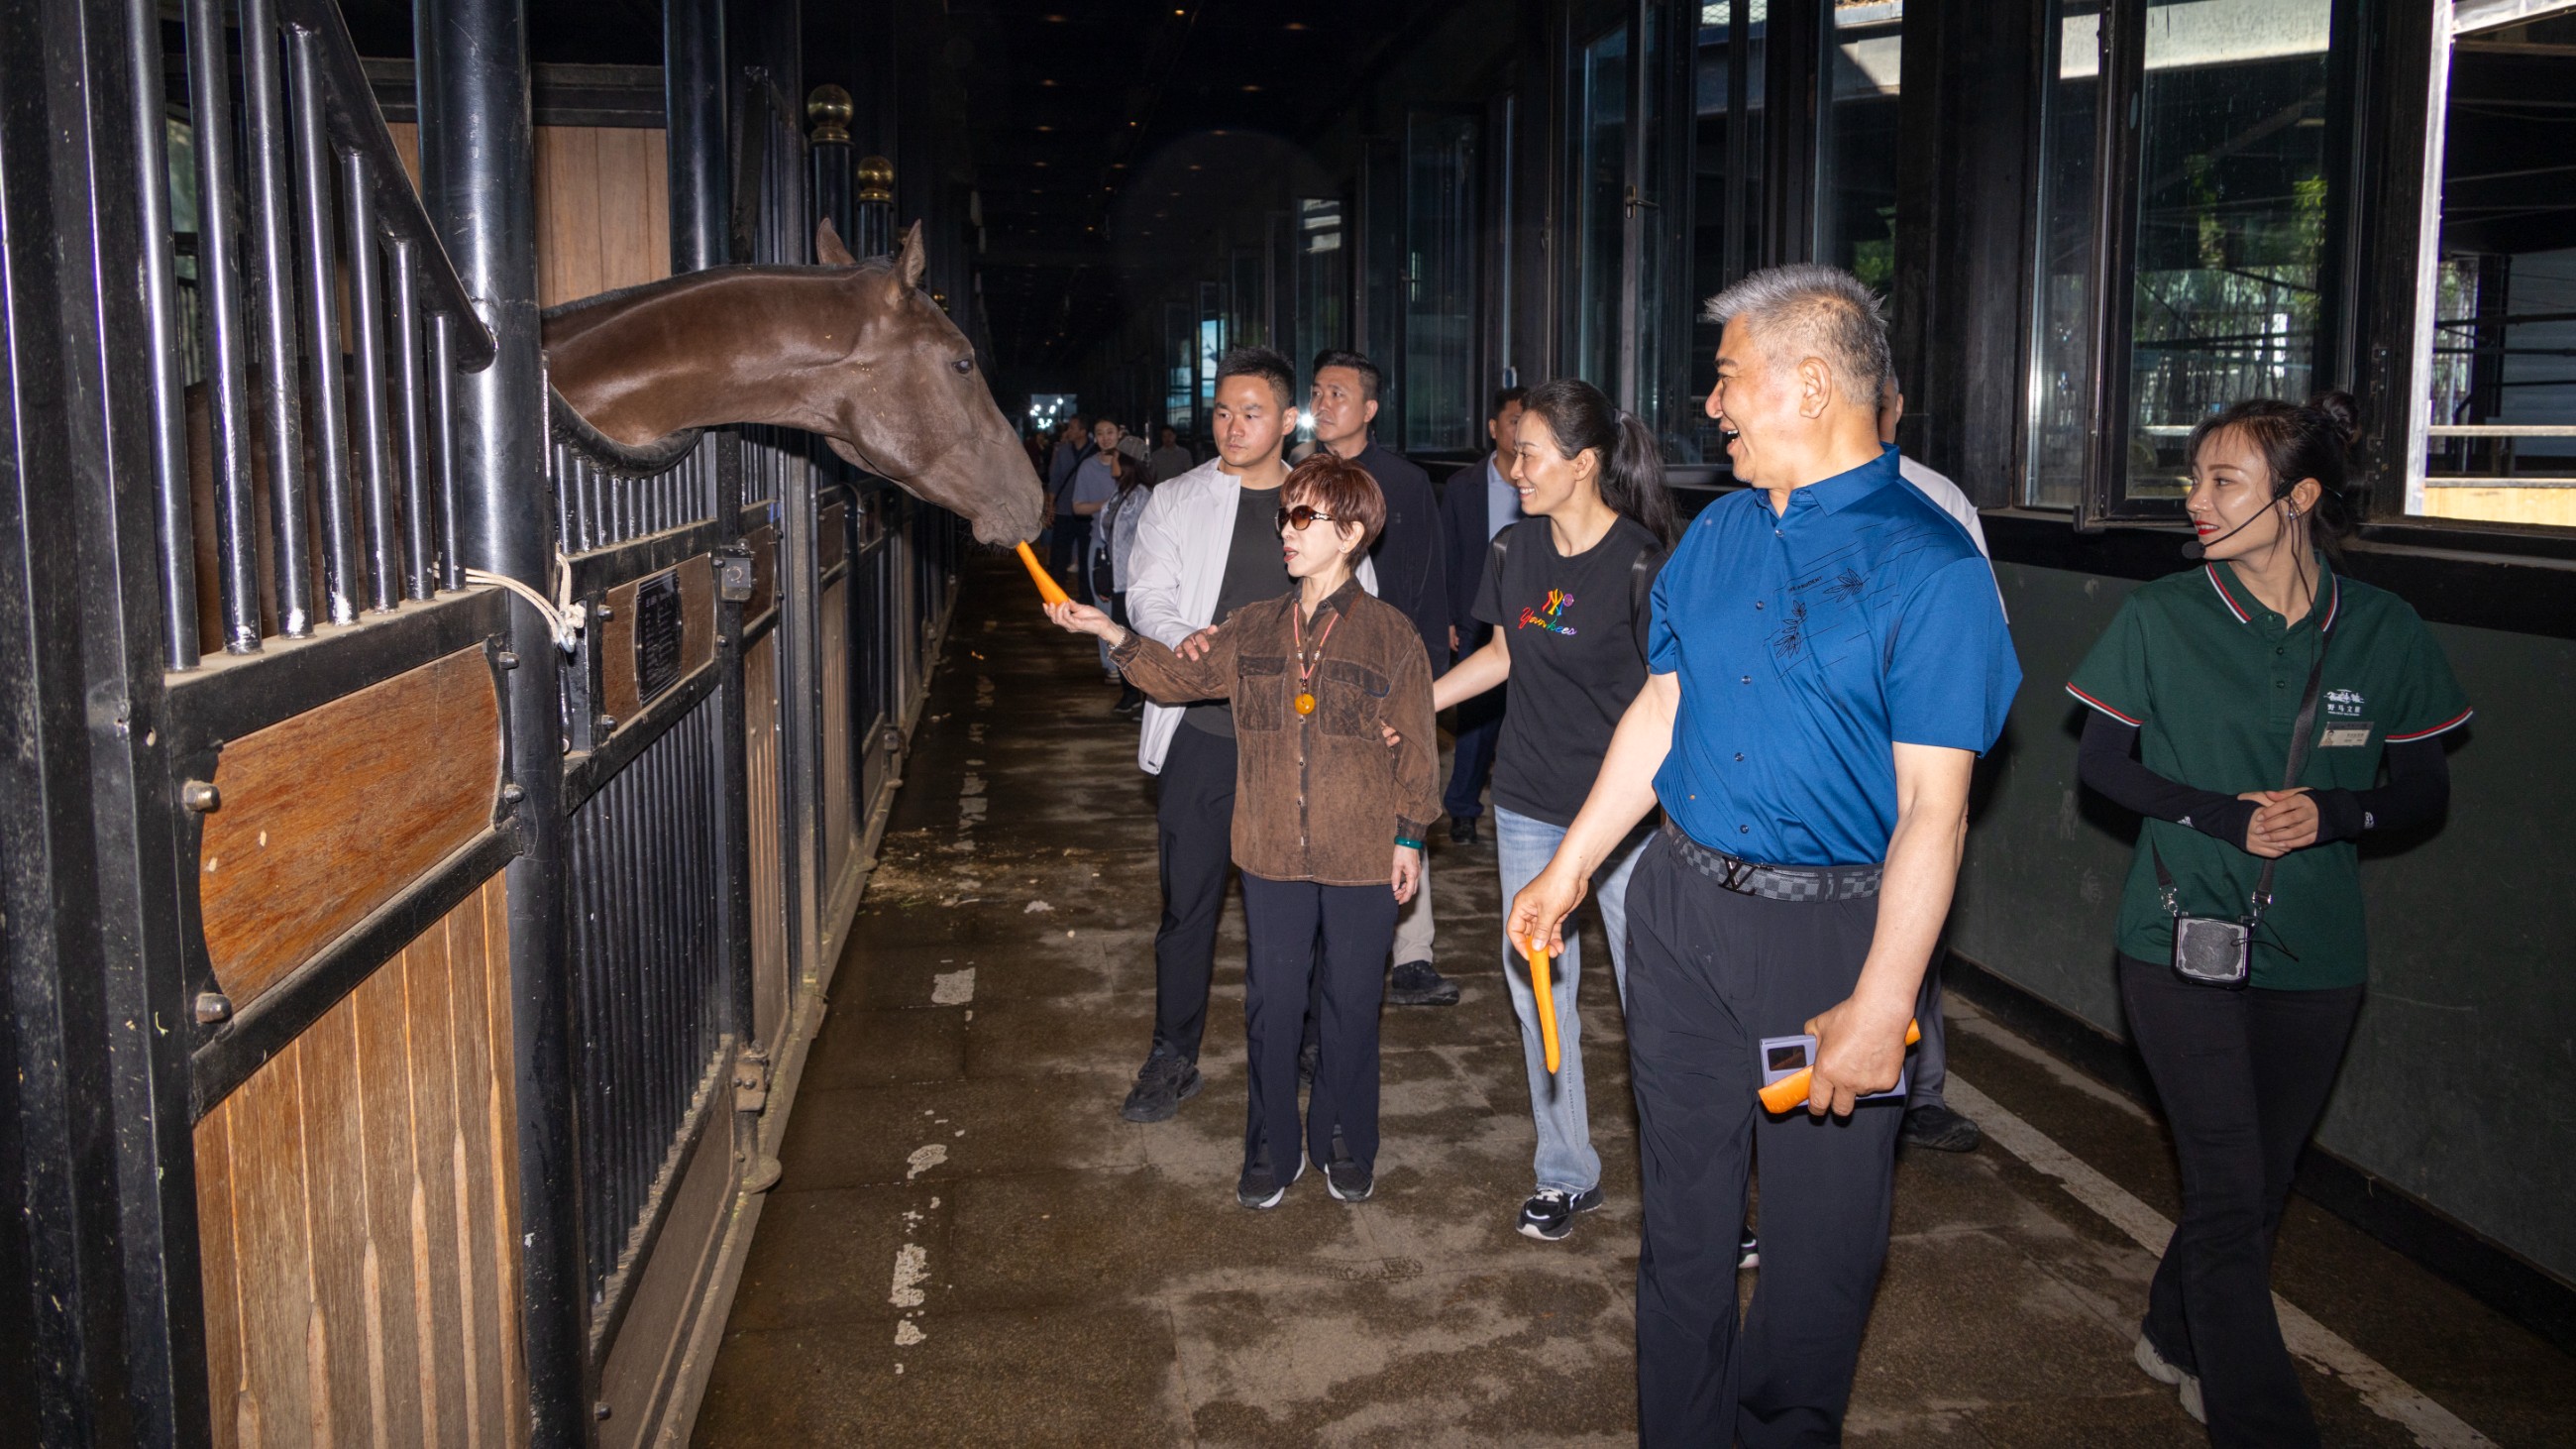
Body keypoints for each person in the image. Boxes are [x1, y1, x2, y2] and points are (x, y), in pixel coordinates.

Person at [1510, 265, 2017, 1445]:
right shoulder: (1718, 533)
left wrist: (1882, 999)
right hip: (1680, 908)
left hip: (1827, 936)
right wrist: (1572, 866)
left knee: (1816, 1261)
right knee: (1682, 1228)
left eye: (1729, 377)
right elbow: (1659, 711)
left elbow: (1933, 815)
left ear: (1806, 380)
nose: (1712, 401)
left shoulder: (1930, 568)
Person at [2068, 393, 2467, 1447]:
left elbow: (2421, 791)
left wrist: (2337, 811)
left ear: (2295, 499)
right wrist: (2219, 815)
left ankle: (2171, 1328)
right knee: (2230, 1179)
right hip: (2175, 933)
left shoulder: (2380, 628)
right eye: (2192, 479)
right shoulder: (2162, 615)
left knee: (2252, 1180)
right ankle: (2262, 1420)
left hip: (2316, 949)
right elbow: (2101, 767)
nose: (2193, 502)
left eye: (2222, 482)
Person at [1048, 454, 1441, 1209]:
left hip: (1361, 851)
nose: (1285, 531)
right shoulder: (1254, 627)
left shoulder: (1392, 637)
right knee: (1270, 1005)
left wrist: (1410, 838)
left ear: (1351, 533)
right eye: (1284, 514)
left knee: (1353, 1006)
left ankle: (1346, 1138)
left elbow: (1418, 748)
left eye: (1303, 517)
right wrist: (1109, 629)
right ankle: (1270, 1147)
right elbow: (1175, 678)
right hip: (1268, 850)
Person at [1426, 379, 1672, 1243]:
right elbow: (1500, 658)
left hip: (1627, 817)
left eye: (1528, 452)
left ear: (1585, 464)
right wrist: (1418, 703)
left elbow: (1668, 704)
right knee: (1540, 992)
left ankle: (1689, 1192)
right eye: (1512, 450)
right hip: (1530, 806)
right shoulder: (1510, 550)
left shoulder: (1645, 563)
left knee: (1655, 998)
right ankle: (1567, 1173)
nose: (1513, 466)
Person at [1119, 347, 1380, 1123]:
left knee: (1303, 909)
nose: (1233, 426)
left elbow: (1361, 605)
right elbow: (1147, 595)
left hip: (1300, 749)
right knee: (1188, 905)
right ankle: (1173, 1054)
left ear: (1287, 419)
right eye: (1223, 412)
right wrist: (1185, 637)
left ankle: (1304, 1040)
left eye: (1252, 412)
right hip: (1203, 733)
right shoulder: (1176, 498)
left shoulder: (1320, 498)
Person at [1309, 349, 1457, 1008]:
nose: (1323, 403)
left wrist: (1422, 680)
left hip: (1390, 667)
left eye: (1337, 394)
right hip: (1318, 668)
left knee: (1404, 803)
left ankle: (1413, 954)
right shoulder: (1300, 478)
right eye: (1316, 393)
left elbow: (1426, 580)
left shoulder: (1402, 481)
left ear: (1368, 410)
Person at [1875, 373, 1997, 1156]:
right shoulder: (1764, 504)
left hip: (1913, 763)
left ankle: (1921, 1091)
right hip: (1827, 778)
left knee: (1917, 933)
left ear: (1893, 403)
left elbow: (1976, 651)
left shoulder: (1937, 503)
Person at [1434, 387, 1528, 845]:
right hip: (1477, 614)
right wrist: (1450, 615)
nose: (1521, 429)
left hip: (1534, 615)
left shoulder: (1544, 481)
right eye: (1513, 420)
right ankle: (1464, 809)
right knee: (1476, 719)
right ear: (1494, 428)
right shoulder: (1463, 486)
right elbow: (1448, 554)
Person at [1069, 418, 1127, 612]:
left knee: (1130, 607)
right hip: (1100, 543)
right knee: (1103, 605)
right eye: (1100, 433)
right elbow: (1077, 507)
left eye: (1109, 432)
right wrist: (1105, 504)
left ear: (1119, 433)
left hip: (1130, 543)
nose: (1105, 438)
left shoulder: (1131, 464)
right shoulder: (1087, 467)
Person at [1046, 415, 1094, 579]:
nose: (1069, 431)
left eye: (1072, 428)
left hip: (1087, 512)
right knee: (1059, 557)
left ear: (1083, 432)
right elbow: (1055, 478)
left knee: (1086, 556)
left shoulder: (1094, 451)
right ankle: (1057, 596)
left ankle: (1085, 597)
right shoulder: (1064, 451)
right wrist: (1051, 505)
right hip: (1065, 510)